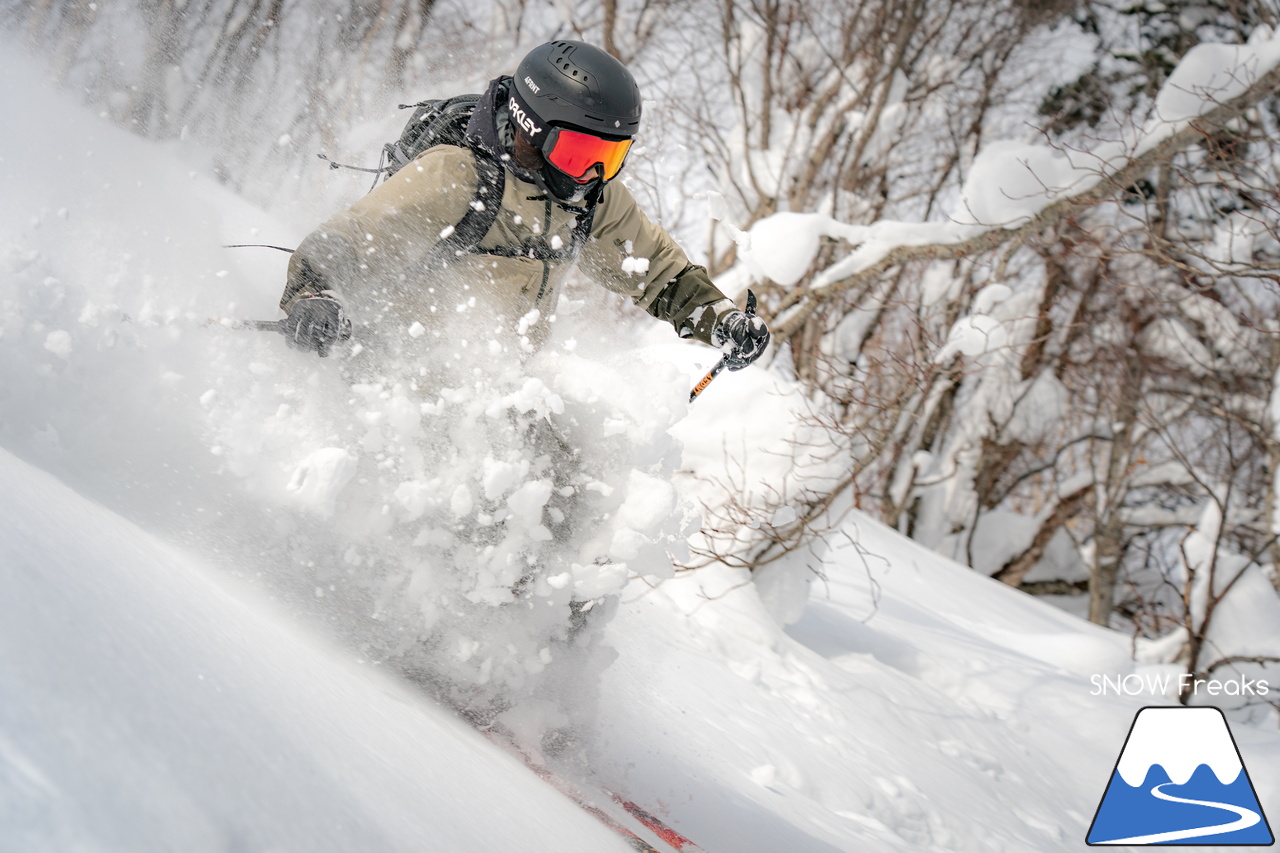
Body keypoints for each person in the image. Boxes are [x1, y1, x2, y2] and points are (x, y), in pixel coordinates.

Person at [276, 39, 769, 378]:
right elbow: (353, 237)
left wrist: (720, 321)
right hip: (397, 377)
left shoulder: (590, 200)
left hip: (501, 391)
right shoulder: (457, 176)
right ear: (533, 127)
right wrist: (312, 294)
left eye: (610, 156)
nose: (591, 174)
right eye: (579, 153)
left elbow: (656, 271)